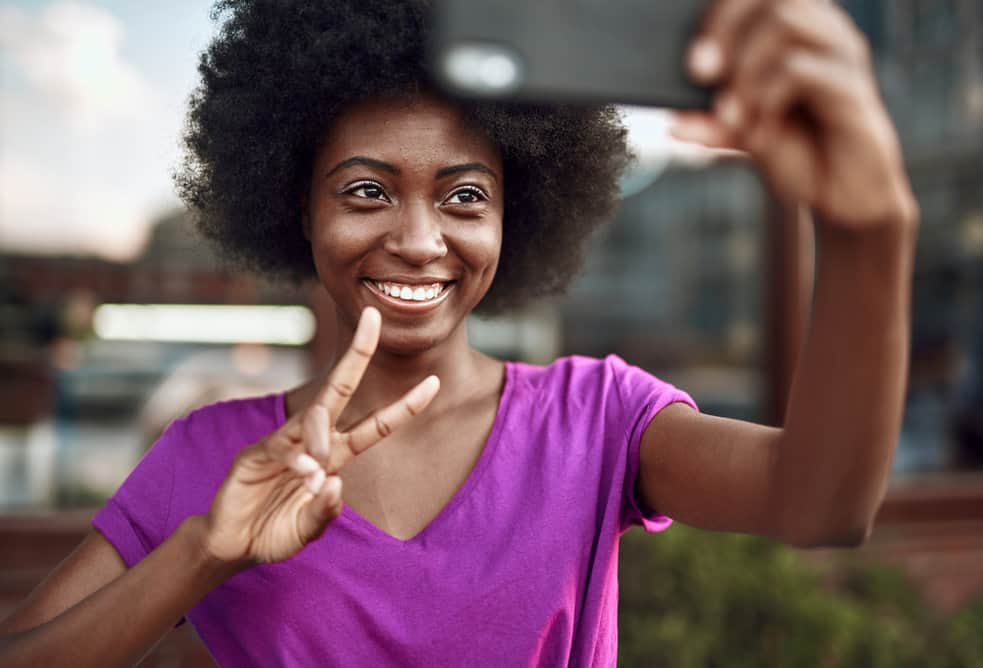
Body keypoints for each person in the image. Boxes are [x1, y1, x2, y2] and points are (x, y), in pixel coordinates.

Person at [0, 0, 918, 665]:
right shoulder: (209, 455)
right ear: (297, 209)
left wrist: (871, 232)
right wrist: (204, 553)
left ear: (518, 213)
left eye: (464, 196)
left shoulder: (597, 419)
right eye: (366, 191)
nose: (417, 238)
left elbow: (824, 503)